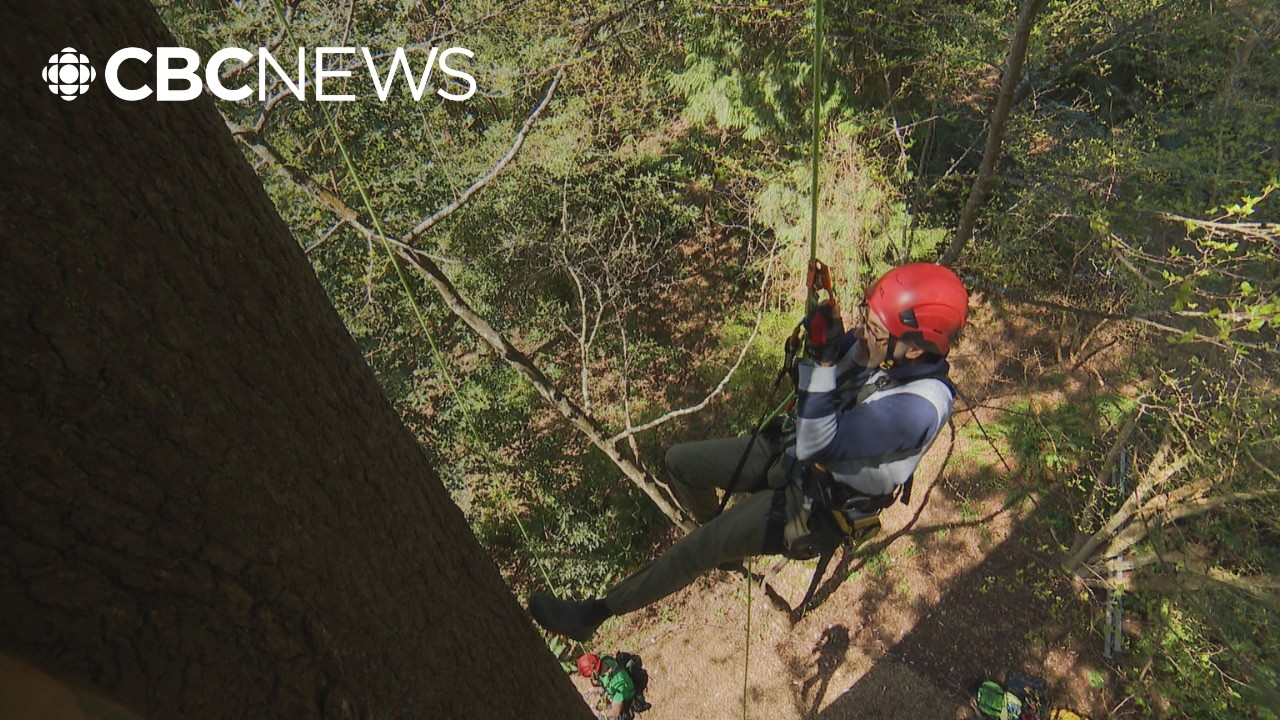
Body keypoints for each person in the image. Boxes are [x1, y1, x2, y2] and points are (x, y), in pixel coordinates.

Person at [530, 262, 969, 642]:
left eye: (875, 329)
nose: (864, 334)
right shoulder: (886, 354)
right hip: (790, 452)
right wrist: (827, 328)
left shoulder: (920, 407)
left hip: (812, 506)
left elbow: (822, 438)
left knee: (696, 549)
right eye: (867, 319)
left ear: (914, 347)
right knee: (680, 462)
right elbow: (832, 368)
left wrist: (823, 360)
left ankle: (594, 614)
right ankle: (725, 539)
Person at [577, 652, 637, 720]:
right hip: (613, 694)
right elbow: (606, 682)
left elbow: (615, 712)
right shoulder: (605, 661)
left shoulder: (618, 685)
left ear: (594, 673)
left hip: (624, 703)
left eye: (589, 676)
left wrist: (598, 714)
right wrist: (598, 689)